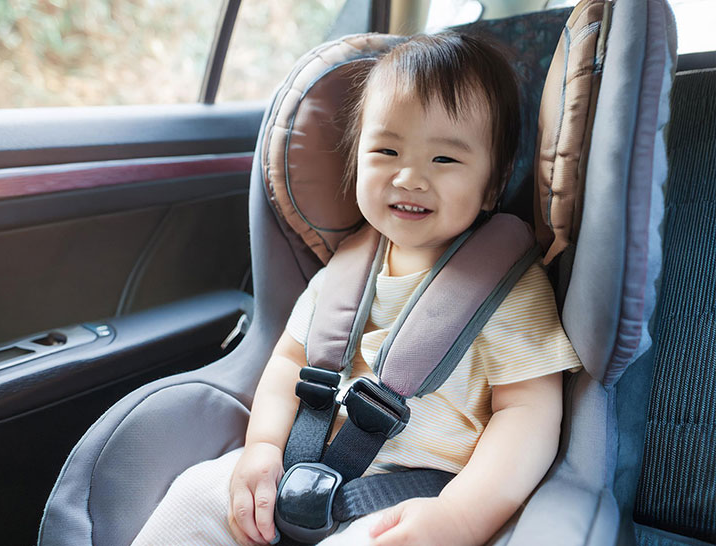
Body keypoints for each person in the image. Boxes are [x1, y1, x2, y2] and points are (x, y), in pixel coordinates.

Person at [131, 31, 581, 546]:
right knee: (193, 493)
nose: (410, 176)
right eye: (387, 150)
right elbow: (287, 365)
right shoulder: (342, 273)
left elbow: (529, 415)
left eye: (445, 160)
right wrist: (262, 449)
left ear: (494, 185)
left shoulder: (511, 292)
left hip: (414, 501)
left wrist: (462, 516)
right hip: (299, 472)